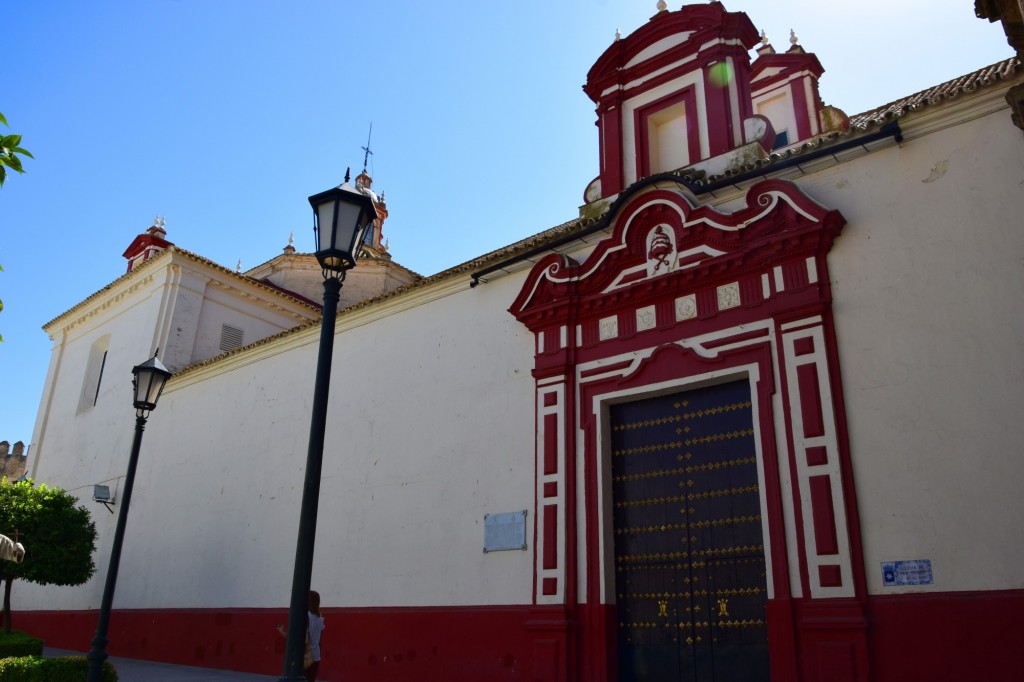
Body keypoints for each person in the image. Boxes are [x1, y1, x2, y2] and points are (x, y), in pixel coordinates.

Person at [277, 590, 326, 681]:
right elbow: (319, 638)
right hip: (316, 655)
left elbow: (301, 638)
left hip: (304, 656)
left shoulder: (305, 616)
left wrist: (283, 633)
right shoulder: (320, 617)